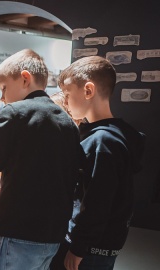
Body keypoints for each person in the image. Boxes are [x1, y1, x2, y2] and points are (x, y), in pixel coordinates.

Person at [0, 49, 81, 270]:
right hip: (53, 234)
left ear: (25, 79)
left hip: (18, 231)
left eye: (3, 88)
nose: (2, 98)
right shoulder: (67, 121)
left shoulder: (14, 112)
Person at [50, 56, 145, 270]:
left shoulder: (103, 142)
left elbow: (97, 203)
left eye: (67, 94)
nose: (65, 101)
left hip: (89, 250)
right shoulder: (111, 136)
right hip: (94, 246)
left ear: (88, 91)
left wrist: (78, 247)